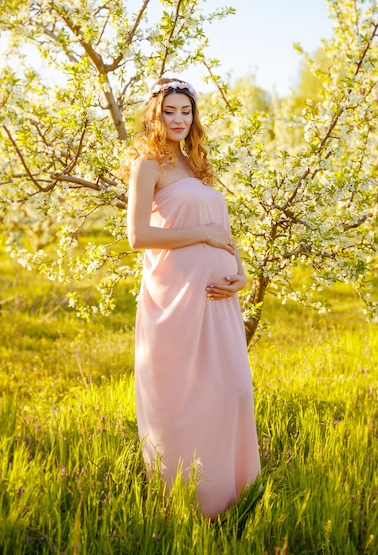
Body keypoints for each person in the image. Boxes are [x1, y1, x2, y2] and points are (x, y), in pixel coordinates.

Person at [123, 77, 260, 519]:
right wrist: (201, 234)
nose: (179, 119)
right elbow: (138, 236)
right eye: (170, 111)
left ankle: (233, 499)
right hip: (175, 299)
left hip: (220, 298)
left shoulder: (197, 166)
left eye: (186, 111)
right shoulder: (150, 164)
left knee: (233, 391)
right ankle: (186, 503)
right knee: (185, 398)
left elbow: (222, 230)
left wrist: (240, 274)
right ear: (154, 114)